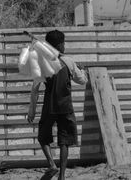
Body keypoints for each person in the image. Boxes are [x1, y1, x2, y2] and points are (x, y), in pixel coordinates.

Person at [27, 29, 88, 180]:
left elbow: (35, 90)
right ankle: (62, 176)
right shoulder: (69, 62)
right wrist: (82, 70)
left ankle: (52, 165)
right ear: (60, 45)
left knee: (43, 137)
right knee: (64, 142)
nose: (64, 46)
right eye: (63, 43)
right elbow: (82, 81)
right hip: (66, 107)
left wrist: (32, 111)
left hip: (50, 106)